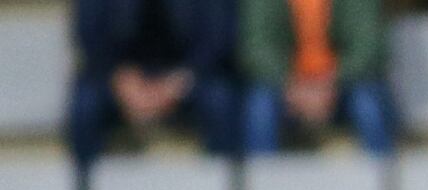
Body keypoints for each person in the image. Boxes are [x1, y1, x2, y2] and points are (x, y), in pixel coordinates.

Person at [69, 0, 238, 165]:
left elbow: (218, 36)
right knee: (85, 106)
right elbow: (88, 32)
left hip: (187, 75)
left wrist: (179, 80)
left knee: (220, 102)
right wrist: (120, 79)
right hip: (118, 75)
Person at [237, 0, 392, 156]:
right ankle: (262, 178)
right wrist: (292, 85)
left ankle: (383, 178)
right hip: (286, 88)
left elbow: (369, 50)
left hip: (341, 86)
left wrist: (328, 83)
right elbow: (254, 49)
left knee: (367, 105)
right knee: (260, 108)